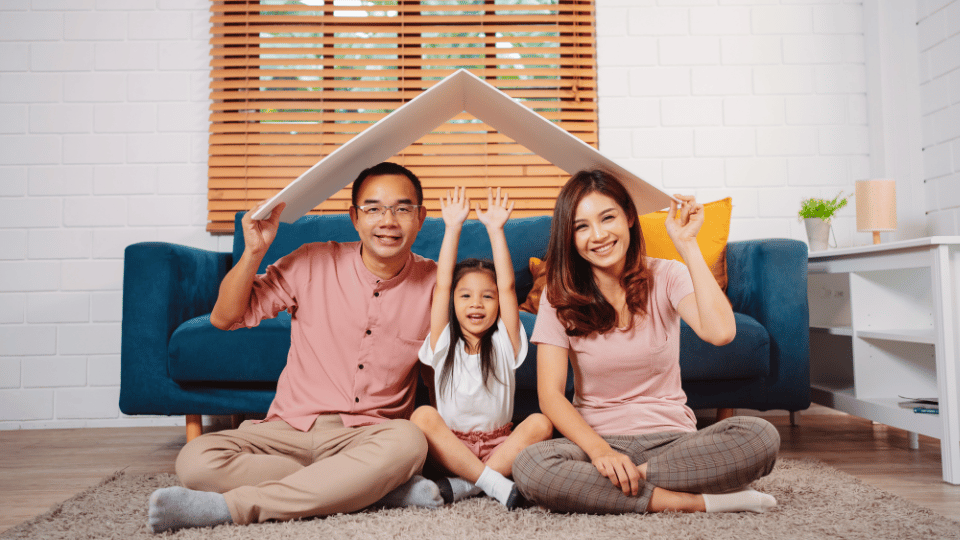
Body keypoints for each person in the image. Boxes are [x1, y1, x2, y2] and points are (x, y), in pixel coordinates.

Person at [147, 162, 444, 534]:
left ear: (421, 217)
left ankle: (236, 508)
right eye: (373, 208)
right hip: (287, 430)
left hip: (372, 433)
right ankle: (373, 487)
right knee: (195, 460)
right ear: (354, 217)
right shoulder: (312, 260)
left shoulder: (438, 283)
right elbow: (225, 318)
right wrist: (253, 252)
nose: (388, 220)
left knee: (409, 443)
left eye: (402, 208)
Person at [512, 170, 780, 515]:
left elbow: (721, 332)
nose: (598, 235)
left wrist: (687, 245)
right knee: (531, 465)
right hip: (597, 441)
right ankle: (691, 501)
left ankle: (627, 485)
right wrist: (600, 453)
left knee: (761, 437)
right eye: (581, 226)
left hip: (672, 441)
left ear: (628, 217)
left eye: (607, 218)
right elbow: (549, 395)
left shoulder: (667, 275)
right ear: (570, 237)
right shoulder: (557, 295)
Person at [410, 187, 553, 509]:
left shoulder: (505, 340)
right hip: (452, 448)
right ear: (452, 303)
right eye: (466, 296)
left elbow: (508, 285)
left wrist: (495, 229)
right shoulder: (442, 340)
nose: (476, 303)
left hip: (500, 446)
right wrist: (452, 228)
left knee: (541, 423)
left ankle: (467, 485)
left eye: (486, 297)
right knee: (421, 416)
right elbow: (443, 283)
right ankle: (493, 484)